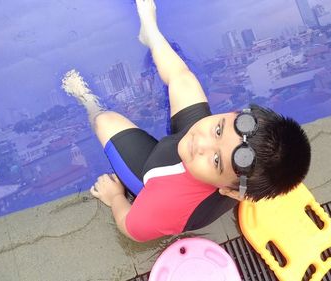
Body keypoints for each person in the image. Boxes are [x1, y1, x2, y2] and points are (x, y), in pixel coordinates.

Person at [61, 0, 311, 242]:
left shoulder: (167, 206)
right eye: (218, 129)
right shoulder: (211, 143)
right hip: (190, 162)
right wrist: (151, 29)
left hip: (157, 176)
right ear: (233, 113)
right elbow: (178, 76)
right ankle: (151, 32)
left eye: (216, 160)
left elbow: (130, 228)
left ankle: (88, 102)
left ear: (230, 192)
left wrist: (116, 197)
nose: (200, 142)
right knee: (183, 79)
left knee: (104, 121)